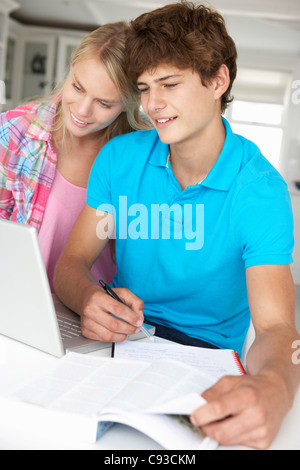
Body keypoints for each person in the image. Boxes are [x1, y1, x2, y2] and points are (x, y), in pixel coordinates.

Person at [54, 1, 300, 449]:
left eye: (169, 84)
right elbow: (71, 262)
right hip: (118, 343)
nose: (152, 105)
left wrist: (277, 390)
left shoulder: (260, 191)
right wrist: (89, 296)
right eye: (144, 88)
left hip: (200, 357)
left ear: (218, 80)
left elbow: (275, 329)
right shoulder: (119, 158)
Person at [0, 21, 148, 291]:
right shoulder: (15, 132)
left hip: (97, 314)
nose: (82, 110)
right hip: (20, 301)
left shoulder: (140, 157)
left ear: (127, 104)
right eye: (78, 87)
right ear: (69, 69)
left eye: (104, 103)